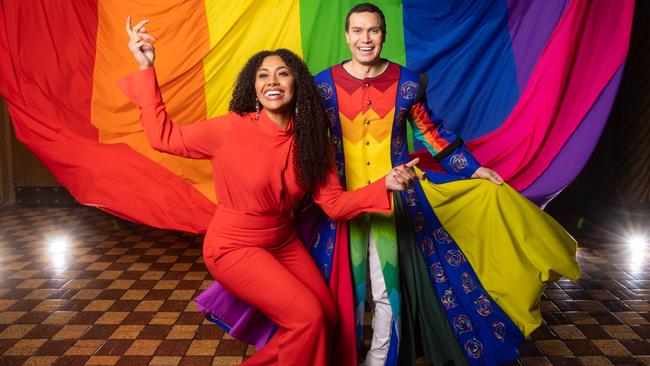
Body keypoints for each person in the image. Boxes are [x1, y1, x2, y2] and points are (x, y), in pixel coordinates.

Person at [119, 16, 420, 366]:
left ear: (297, 85)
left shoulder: (311, 143)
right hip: (233, 247)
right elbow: (163, 137)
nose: (272, 82)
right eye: (263, 75)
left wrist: (383, 184)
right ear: (254, 86)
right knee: (307, 320)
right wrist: (145, 69)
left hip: (282, 242)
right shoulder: (231, 129)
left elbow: (335, 205)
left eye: (282, 74)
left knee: (326, 316)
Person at [313, 3, 503, 365]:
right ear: (347, 36)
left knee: (387, 290)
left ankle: (380, 360)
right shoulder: (322, 85)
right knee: (346, 292)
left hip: (395, 203)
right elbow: (307, 140)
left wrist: (473, 169)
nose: (365, 39)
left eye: (373, 31)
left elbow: (432, 134)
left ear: (384, 34)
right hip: (343, 204)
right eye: (357, 31)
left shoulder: (409, 83)